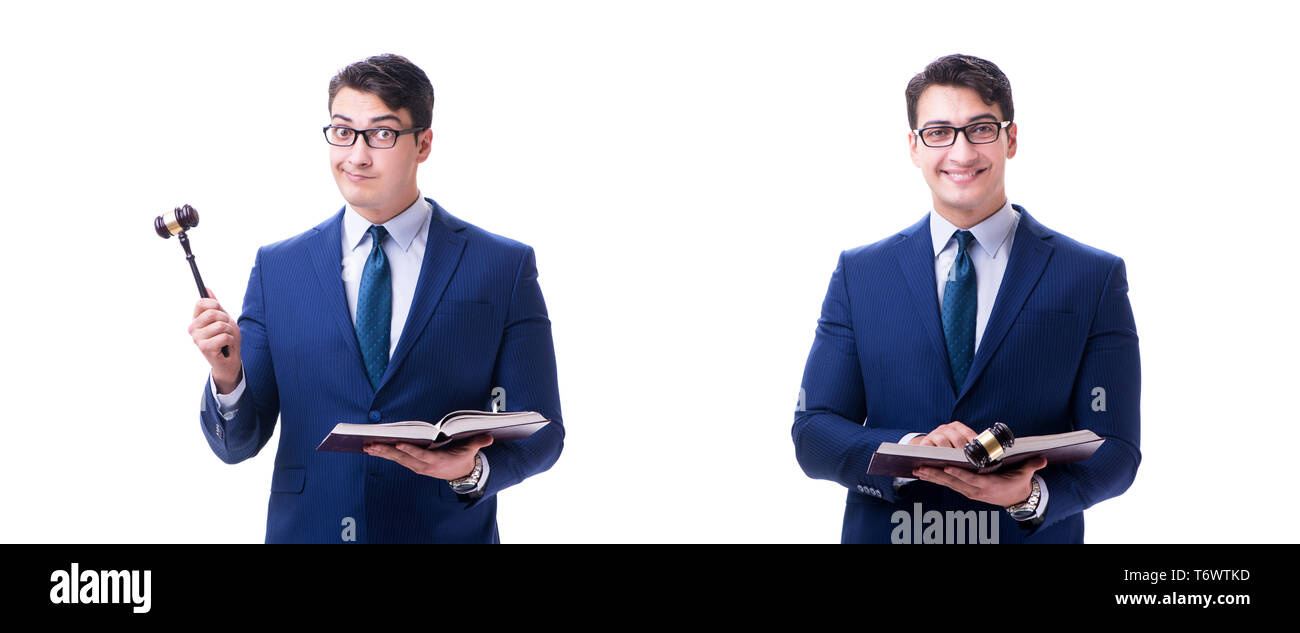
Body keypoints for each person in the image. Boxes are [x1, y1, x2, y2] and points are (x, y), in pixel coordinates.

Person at [188, 54, 564, 543]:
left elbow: (544, 431)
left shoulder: (501, 266)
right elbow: (237, 445)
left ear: (423, 143)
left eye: (381, 134)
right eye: (343, 132)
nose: (357, 155)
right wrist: (227, 374)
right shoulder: (278, 269)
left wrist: (470, 470)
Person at [792, 54, 1139, 543]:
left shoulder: (1091, 275)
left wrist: (1030, 494)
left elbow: (1117, 447)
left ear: (1010, 139)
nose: (960, 151)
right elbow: (814, 432)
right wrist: (909, 451)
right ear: (914, 147)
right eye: (938, 132)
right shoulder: (860, 274)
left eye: (980, 128)